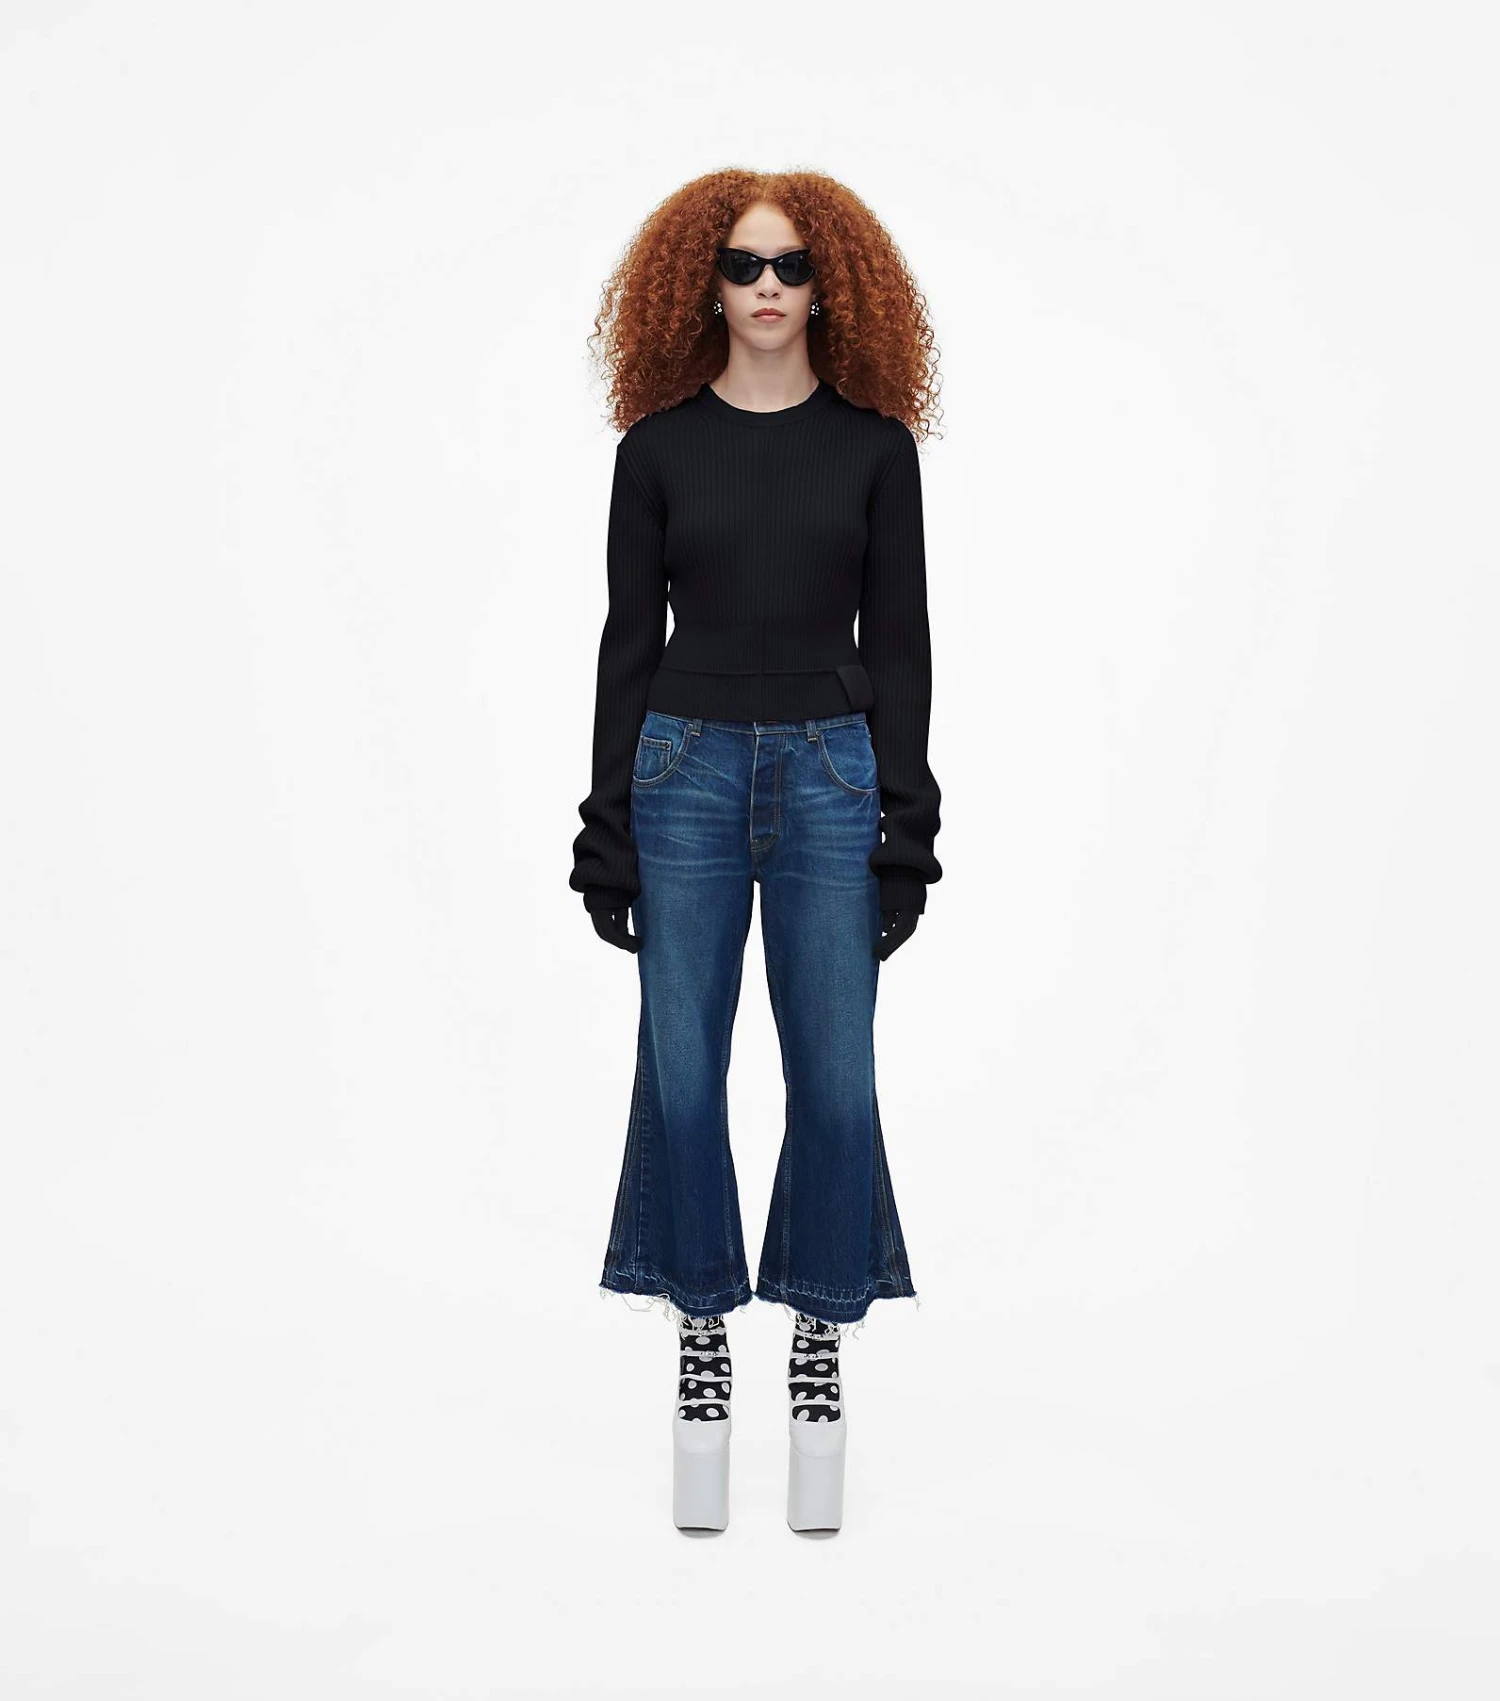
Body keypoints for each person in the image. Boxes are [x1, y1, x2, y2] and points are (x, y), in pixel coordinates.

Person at [569, 169, 943, 1532]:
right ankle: (702, 1331)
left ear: (831, 284)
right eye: (741, 264)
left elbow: (901, 644)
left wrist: (907, 825)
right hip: (684, 772)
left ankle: (821, 1335)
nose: (768, 287)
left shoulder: (876, 452)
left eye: (791, 265)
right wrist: (607, 826)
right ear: (702, 285)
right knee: (683, 1071)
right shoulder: (657, 452)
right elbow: (627, 644)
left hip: (834, 776)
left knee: (835, 1079)